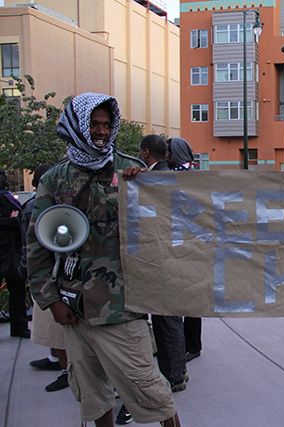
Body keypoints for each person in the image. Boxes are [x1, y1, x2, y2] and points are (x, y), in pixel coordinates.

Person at [27, 93, 180, 427]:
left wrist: (146, 188)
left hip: (121, 307)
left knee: (151, 390)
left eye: (106, 125)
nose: (100, 131)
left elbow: (166, 224)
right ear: (78, 126)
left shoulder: (131, 171)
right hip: (75, 310)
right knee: (91, 395)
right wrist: (51, 301)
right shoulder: (55, 180)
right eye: (94, 124)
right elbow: (37, 245)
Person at [115, 135, 188, 425]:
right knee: (169, 318)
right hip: (168, 259)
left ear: (145, 152)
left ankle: (172, 375)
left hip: (159, 261)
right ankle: (177, 371)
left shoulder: (154, 179)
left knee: (166, 319)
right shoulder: (165, 176)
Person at [24, 164, 70, 392]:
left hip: (62, 278)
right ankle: (65, 370)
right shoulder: (38, 208)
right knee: (55, 334)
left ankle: (67, 371)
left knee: (58, 335)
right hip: (51, 278)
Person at [166, 137, 202, 362]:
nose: (165, 156)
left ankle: (192, 345)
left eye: (168, 152)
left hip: (193, 246)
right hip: (179, 244)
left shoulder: (191, 179)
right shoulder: (172, 176)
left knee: (191, 299)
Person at [1, 168, 30, 338]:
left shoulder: (8, 199)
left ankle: (19, 327)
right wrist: (11, 221)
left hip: (10, 251)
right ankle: (19, 327)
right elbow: (20, 220)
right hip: (11, 252)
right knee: (17, 292)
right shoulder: (8, 200)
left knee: (17, 291)